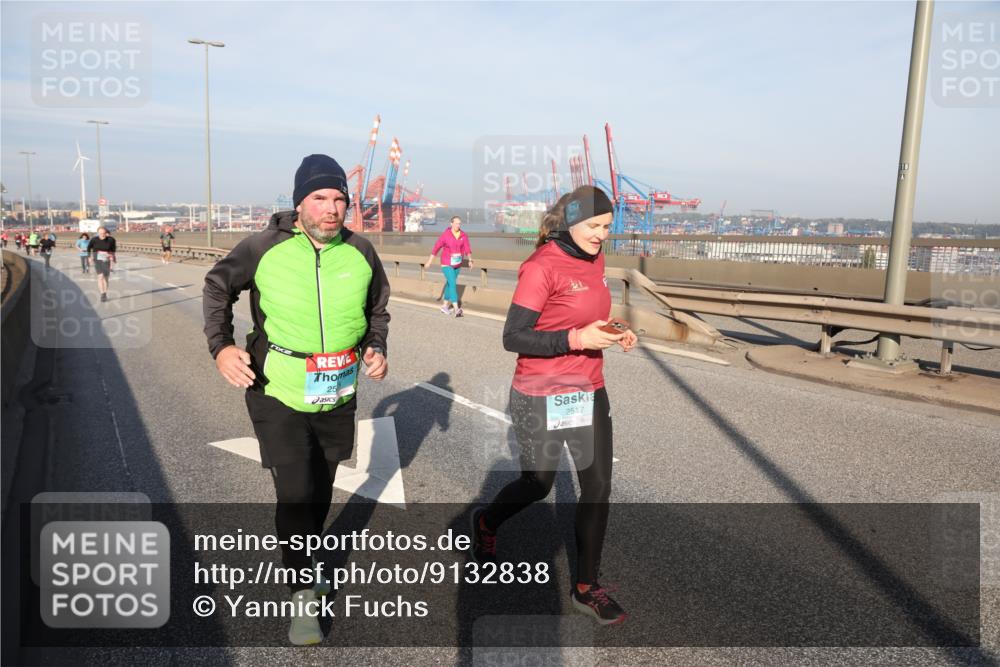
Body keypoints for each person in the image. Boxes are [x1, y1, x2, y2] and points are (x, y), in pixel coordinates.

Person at [203, 154, 390, 646]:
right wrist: (221, 347)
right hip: (278, 387)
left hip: (337, 390)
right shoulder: (262, 247)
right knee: (294, 491)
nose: (331, 208)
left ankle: (306, 554)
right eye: (320, 198)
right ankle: (303, 591)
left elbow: (377, 310)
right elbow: (217, 287)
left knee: (322, 487)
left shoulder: (361, 251)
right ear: (300, 203)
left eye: (340, 199)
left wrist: (376, 347)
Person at [470, 186, 637, 626]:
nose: (602, 235)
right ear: (571, 221)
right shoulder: (542, 265)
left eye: (607, 227)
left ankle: (586, 587)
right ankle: (487, 522)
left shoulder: (595, 259)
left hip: (588, 388)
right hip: (540, 393)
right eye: (594, 225)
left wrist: (613, 329)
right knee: (538, 483)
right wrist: (577, 339)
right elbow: (514, 336)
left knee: (597, 486)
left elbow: (584, 315)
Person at [423, 215, 472, 317]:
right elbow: (436, 248)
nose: (458, 225)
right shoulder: (445, 235)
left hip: (457, 263)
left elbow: (467, 248)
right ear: (451, 224)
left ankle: (444, 306)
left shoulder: (463, 235)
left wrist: (470, 260)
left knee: (450, 284)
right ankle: (456, 308)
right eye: (456, 223)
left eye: (459, 223)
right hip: (446, 263)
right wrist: (429, 262)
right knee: (453, 283)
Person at [87, 227, 117, 302]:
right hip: (97, 259)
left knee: (106, 278)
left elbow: (113, 250)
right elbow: (88, 248)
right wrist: (89, 257)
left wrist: (113, 257)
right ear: (98, 233)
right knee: (100, 276)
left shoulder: (111, 240)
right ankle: (102, 294)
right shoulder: (94, 239)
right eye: (100, 233)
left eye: (104, 233)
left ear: (106, 233)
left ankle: (105, 293)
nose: (102, 235)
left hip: (106, 259)